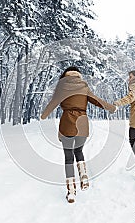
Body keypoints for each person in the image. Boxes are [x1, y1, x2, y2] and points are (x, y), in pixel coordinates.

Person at [41, 66, 116, 203]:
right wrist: (111, 107)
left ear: (65, 75)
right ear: (78, 75)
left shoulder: (62, 86)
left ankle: (71, 192)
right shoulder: (83, 86)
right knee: (79, 151)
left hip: (67, 124)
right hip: (82, 124)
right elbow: (96, 100)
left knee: (68, 157)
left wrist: (44, 115)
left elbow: (53, 102)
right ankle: (84, 177)